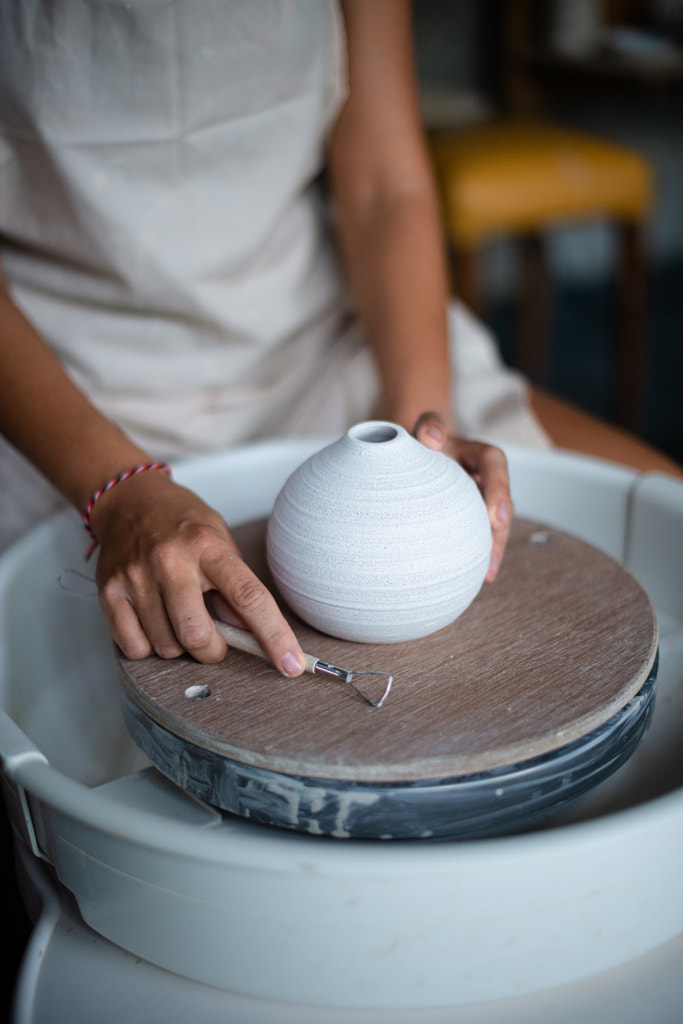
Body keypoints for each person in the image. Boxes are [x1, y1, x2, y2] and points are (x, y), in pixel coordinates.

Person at [0, 0, 546, 678]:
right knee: (63, 681)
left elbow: (385, 187)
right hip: (59, 379)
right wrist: (118, 493)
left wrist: (419, 441)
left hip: (313, 332)